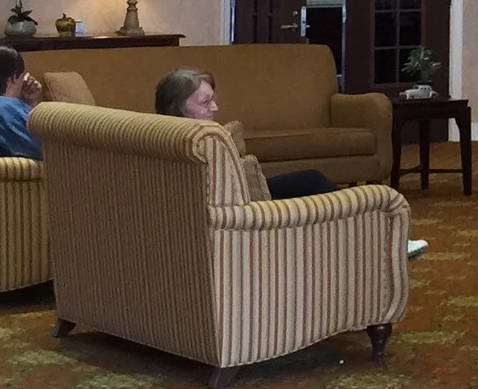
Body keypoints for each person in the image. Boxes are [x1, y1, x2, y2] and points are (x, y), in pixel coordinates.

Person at [154, 68, 426, 257]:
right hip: (244, 213)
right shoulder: (201, 141)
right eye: (205, 102)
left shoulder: (160, 133)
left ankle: (378, 240)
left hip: (233, 204)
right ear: (179, 107)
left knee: (313, 183)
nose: (214, 108)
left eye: (214, 99)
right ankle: (387, 242)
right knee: (317, 186)